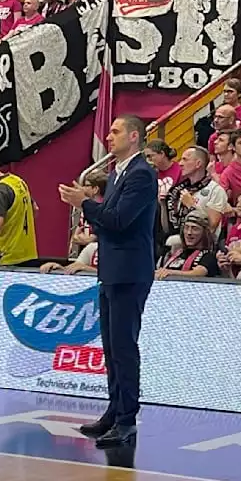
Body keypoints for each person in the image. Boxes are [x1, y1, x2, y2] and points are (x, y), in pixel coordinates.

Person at [61, 115, 157, 447]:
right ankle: (115, 410)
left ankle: (127, 417)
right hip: (113, 270)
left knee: (124, 347)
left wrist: (84, 203)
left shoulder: (143, 175)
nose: (109, 136)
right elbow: (109, 222)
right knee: (111, 347)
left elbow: (117, 220)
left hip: (130, 272)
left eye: (115, 131)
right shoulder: (118, 173)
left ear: (134, 136)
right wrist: (92, 215)